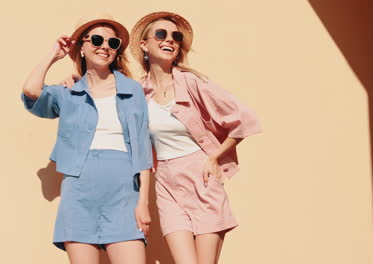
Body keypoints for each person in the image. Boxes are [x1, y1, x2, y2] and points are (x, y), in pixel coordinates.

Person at [130, 12, 262, 263]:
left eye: (175, 36)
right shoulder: (138, 93)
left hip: (201, 177)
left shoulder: (192, 82)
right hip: (167, 184)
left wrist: (214, 157)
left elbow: (244, 118)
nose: (169, 39)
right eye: (161, 34)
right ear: (144, 44)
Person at [21, 17, 152, 264]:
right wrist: (53, 55)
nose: (105, 46)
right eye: (97, 40)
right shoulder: (69, 93)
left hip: (123, 192)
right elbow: (31, 91)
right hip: (79, 194)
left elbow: (143, 150)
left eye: (112, 42)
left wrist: (143, 203)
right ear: (81, 47)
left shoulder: (132, 90)